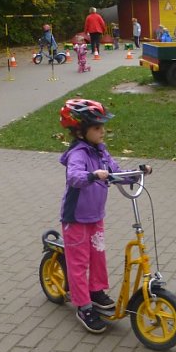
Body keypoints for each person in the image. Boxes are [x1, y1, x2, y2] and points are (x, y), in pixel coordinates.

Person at [58, 99, 152, 333]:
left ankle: (95, 290)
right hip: (76, 218)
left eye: (102, 127)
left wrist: (136, 174)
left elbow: (116, 172)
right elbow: (74, 177)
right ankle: (83, 306)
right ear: (81, 131)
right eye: (97, 128)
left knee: (97, 257)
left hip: (95, 216)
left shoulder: (101, 151)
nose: (103, 132)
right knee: (79, 263)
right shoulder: (77, 154)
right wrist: (93, 175)